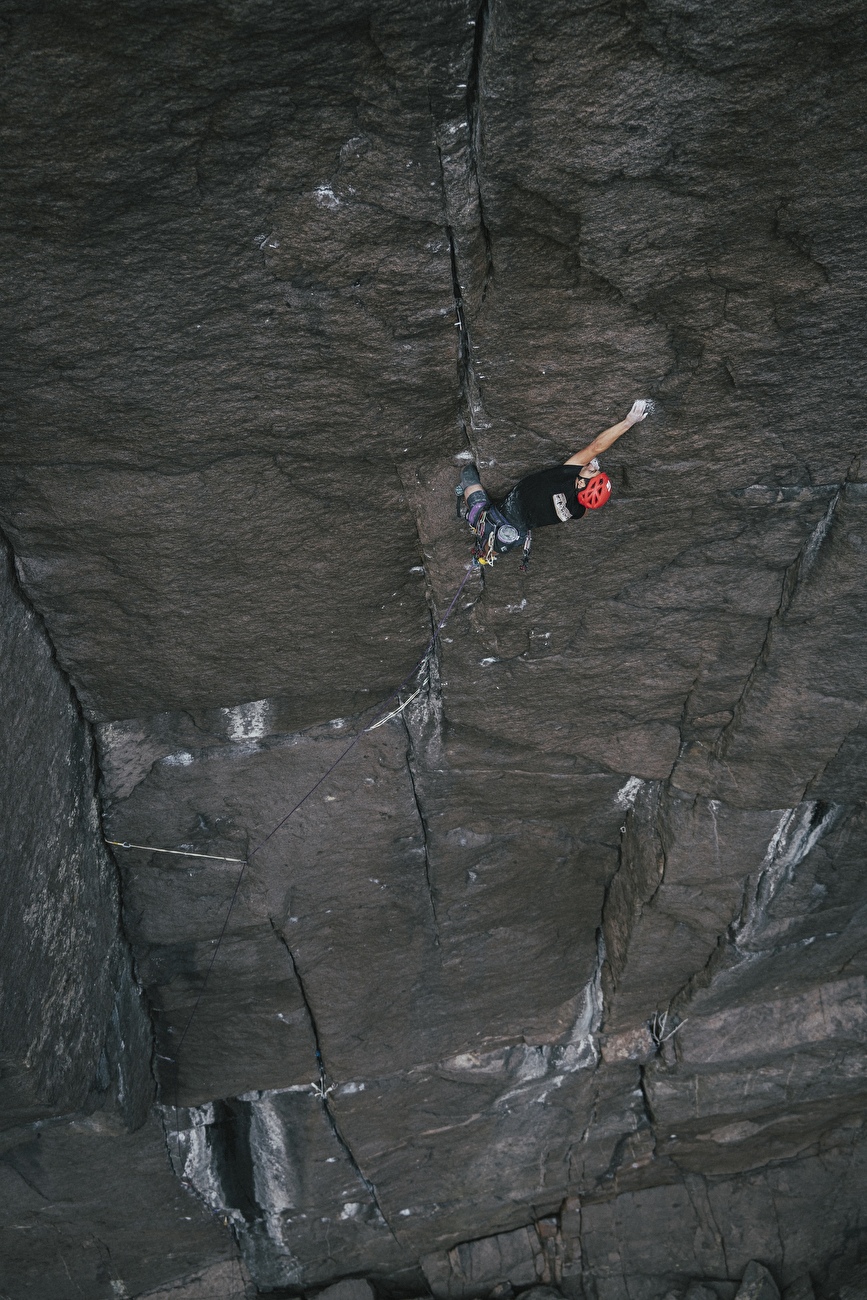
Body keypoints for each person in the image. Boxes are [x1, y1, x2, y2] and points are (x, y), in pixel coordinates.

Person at [456, 399, 652, 567]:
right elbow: (583, 510)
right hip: (514, 535)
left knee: (468, 475)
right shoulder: (576, 509)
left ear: (582, 485)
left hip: (498, 515)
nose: (593, 467)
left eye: (593, 472)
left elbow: (596, 447)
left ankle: (475, 522)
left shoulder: (563, 477)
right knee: (501, 541)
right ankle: (483, 558)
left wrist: (628, 422)